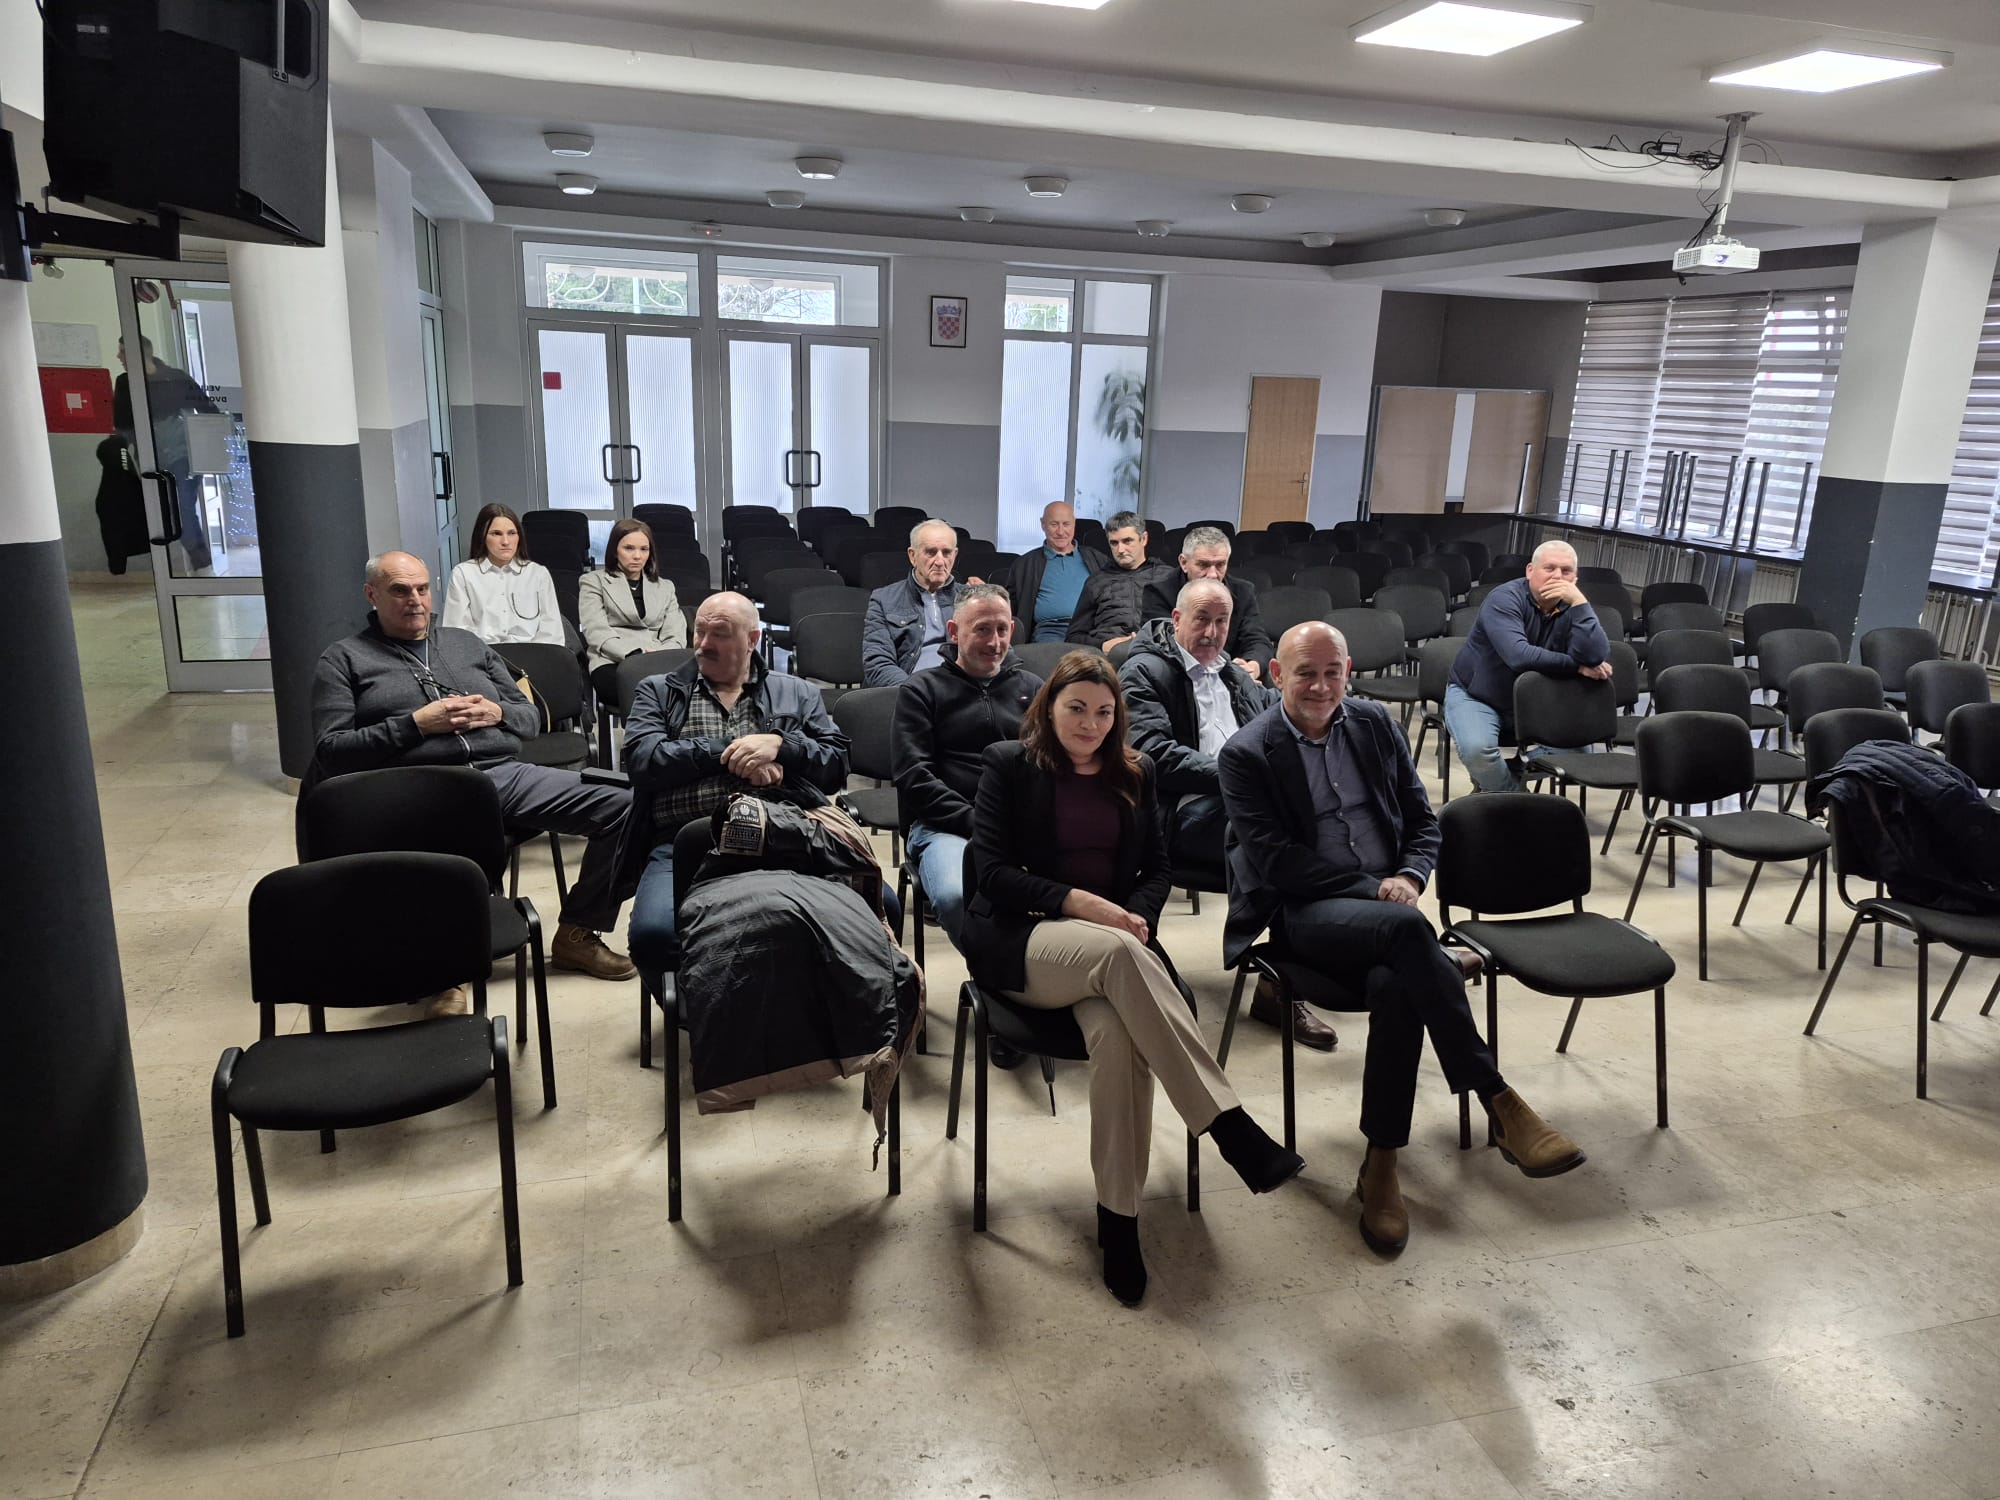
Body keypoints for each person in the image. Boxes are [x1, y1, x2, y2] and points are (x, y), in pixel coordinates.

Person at [1218, 622, 1584, 1257]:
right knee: (1412, 932)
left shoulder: (1374, 724)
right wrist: (1377, 890)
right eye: (1306, 673)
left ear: (1349, 670)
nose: (1321, 686)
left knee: (1397, 982)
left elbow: (1421, 819)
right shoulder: (1247, 753)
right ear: (1276, 675)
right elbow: (1278, 863)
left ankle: (1381, 1163)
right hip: (1307, 914)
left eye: (1333, 672)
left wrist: (1411, 875)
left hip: (1391, 918)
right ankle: (1498, 1098)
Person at [964, 651, 1304, 1307]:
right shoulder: (1009, 765)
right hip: (1025, 941)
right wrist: (1090, 909)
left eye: (1103, 711)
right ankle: (1230, 1127)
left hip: (1116, 953)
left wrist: (1135, 917)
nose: (1090, 724)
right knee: (1118, 956)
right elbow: (993, 875)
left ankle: (1118, 1220)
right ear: (1049, 709)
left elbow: (1157, 868)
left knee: (1121, 1044)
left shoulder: (1136, 771)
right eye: (1076, 708)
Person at [308, 551, 637, 983]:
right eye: (400, 591)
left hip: (502, 776)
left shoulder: (467, 644)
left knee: (626, 805)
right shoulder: (344, 659)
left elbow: (530, 718)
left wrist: (498, 713)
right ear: (372, 595)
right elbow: (331, 751)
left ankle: (577, 932)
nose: (415, 600)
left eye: (422, 589)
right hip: (417, 787)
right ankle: (444, 973)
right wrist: (415, 725)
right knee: (444, 853)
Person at [1121, 581, 1339, 1054]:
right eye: (1202, 619)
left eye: (1222, 622)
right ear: (1177, 620)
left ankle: (1306, 964)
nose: (1212, 631)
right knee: (1287, 836)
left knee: (1327, 820)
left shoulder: (1233, 675)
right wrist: (1244, 777)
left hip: (1245, 806)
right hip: (1180, 814)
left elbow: (1281, 723)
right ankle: (1284, 983)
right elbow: (1153, 754)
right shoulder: (1143, 672)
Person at [621, 592, 850, 965]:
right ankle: (695, 1001)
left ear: (752, 640)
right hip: (682, 840)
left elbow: (836, 764)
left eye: (720, 634)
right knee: (653, 935)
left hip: (784, 832)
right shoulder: (660, 691)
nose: (704, 644)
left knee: (874, 904)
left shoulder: (797, 691)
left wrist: (782, 746)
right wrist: (733, 751)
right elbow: (642, 761)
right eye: (700, 631)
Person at [893, 583, 1043, 948]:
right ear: (954, 631)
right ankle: (997, 974)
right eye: (982, 630)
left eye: (1002, 629)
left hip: (1019, 826)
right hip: (946, 826)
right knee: (955, 897)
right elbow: (915, 777)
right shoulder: (921, 690)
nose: (995, 642)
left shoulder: (1034, 689)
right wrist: (977, 822)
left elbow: (1049, 765)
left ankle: (1035, 967)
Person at [1443, 540, 1611, 794]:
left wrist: (1580, 603)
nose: (1557, 576)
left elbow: (1595, 655)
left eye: (1566, 571)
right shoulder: (1504, 598)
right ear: (1530, 571)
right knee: (1478, 752)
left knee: (1580, 749)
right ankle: (1518, 802)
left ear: (1575, 578)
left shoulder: (1573, 606)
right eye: (1549, 568)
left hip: (1534, 701)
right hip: (1477, 695)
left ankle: (1497, 781)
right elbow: (1519, 656)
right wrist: (1576, 667)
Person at [113, 333, 220, 572]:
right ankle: (198, 565)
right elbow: (122, 425)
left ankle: (203, 565)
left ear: (139, 353)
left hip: (184, 456)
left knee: (182, 511)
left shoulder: (176, 378)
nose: (118, 356)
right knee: (172, 513)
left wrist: (211, 449)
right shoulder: (125, 383)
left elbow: (208, 409)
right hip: (151, 460)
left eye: (122, 351)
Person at [1139, 525, 1274, 679]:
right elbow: (1164, 645)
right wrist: (1227, 672)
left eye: (1220, 565)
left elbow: (1257, 639)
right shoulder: (1158, 592)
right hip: (1178, 676)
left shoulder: (1243, 591)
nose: (1212, 574)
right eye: (1203, 565)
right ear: (1184, 563)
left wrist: (1251, 666)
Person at [578, 518, 687, 704]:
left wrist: (658, 655)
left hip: (658, 658)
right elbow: (596, 631)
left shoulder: (665, 587)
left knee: (685, 689)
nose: (637, 556)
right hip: (613, 660)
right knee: (647, 692)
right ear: (615, 550)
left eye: (644, 549)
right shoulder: (593, 581)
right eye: (629, 548)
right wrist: (634, 656)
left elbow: (676, 635)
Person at [441, 503, 567, 648]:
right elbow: (457, 633)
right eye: (496, 534)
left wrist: (538, 657)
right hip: (483, 655)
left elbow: (552, 633)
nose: (506, 542)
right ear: (482, 536)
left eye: (512, 533)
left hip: (532, 654)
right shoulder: (464, 574)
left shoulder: (537, 574)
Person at [862, 519, 963, 686]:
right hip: (905, 690)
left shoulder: (971, 599)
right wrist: (914, 693)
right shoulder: (883, 599)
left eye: (946, 552)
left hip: (958, 690)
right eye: (931, 552)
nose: (940, 561)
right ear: (912, 556)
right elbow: (877, 663)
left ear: (955, 555)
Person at [1064, 509, 1178, 651]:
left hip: (1157, 650)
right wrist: (1101, 645)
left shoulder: (1168, 576)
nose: (1120, 550)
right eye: (1114, 543)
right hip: (1107, 653)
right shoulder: (1096, 582)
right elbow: (1073, 637)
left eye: (1127, 541)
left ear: (1144, 539)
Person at [1005, 502, 1107, 642]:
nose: (1060, 532)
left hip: (1091, 630)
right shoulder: (1025, 564)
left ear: (1074, 524)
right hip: (1049, 631)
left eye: (1066, 524)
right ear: (1043, 524)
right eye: (1054, 524)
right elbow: (1008, 605)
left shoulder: (1098, 559)